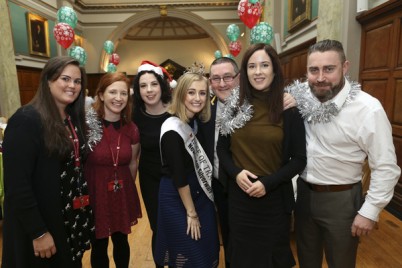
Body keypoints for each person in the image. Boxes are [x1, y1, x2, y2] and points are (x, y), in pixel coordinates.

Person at [286, 39, 401, 268]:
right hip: (305, 197)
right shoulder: (301, 98)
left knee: (341, 263)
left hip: (343, 200)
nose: (320, 77)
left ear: (345, 67)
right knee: (307, 261)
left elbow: (386, 167)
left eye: (329, 69)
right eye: (313, 70)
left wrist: (370, 211)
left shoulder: (368, 109)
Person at [198, 56, 297, 268]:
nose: (222, 83)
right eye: (215, 78)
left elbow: (296, 155)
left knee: (269, 253)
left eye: (227, 77)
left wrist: (292, 97)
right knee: (232, 245)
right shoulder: (201, 110)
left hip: (266, 190)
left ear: (239, 78)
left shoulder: (271, 105)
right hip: (220, 187)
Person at [2, 56, 94, 267]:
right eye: (65, 79)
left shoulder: (71, 117)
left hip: (68, 219)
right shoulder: (26, 120)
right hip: (41, 223)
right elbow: (17, 186)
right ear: (48, 81)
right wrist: (39, 232)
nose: (72, 85)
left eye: (77, 81)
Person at [155, 69, 220, 267]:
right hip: (177, 195)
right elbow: (179, 176)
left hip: (199, 192)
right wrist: (191, 213)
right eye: (191, 92)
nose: (198, 98)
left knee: (206, 248)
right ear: (181, 93)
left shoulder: (196, 122)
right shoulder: (172, 129)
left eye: (202, 93)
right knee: (188, 251)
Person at [84, 72, 142, 267]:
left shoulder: (131, 128)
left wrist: (125, 189)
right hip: (96, 192)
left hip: (121, 191)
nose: (118, 98)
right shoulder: (87, 126)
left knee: (121, 240)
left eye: (123, 93)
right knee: (99, 243)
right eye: (113, 92)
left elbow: (133, 162)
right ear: (101, 95)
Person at [132, 60, 173, 268]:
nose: (149, 90)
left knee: (178, 226)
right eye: (143, 85)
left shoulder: (177, 111)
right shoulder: (135, 115)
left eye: (153, 84)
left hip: (177, 180)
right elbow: (133, 155)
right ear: (137, 90)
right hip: (150, 180)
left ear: (162, 85)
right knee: (158, 227)